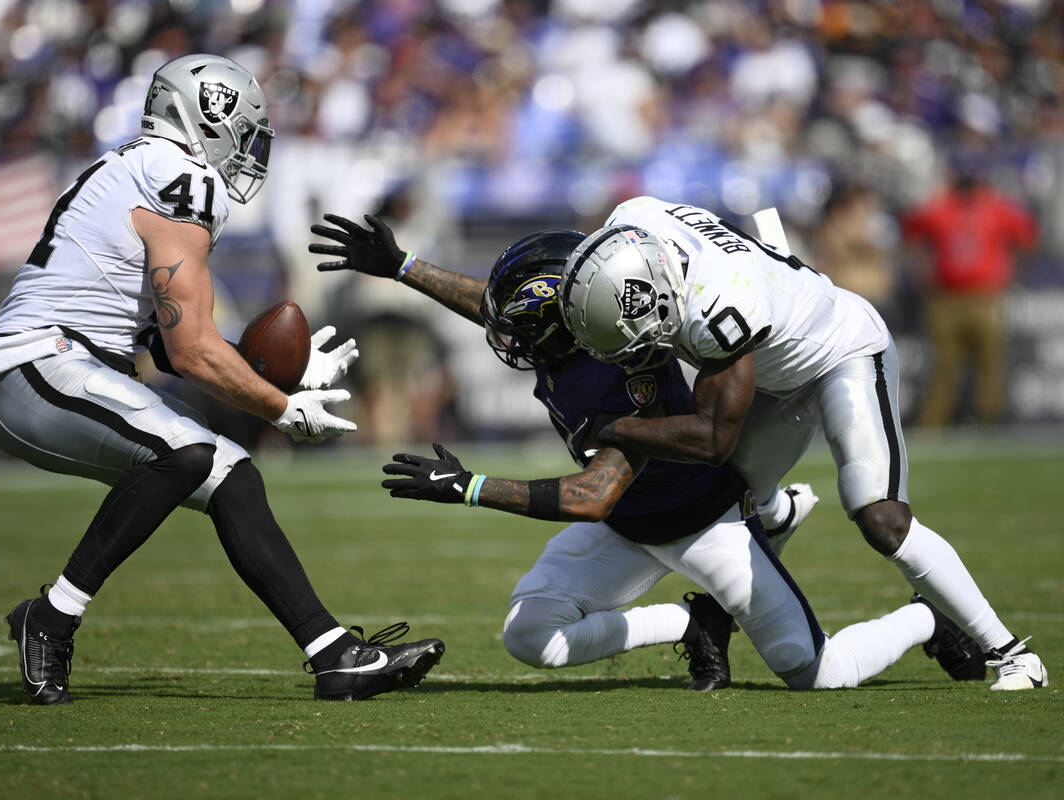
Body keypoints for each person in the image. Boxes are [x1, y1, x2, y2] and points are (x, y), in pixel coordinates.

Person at [309, 216, 985, 691]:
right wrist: (400, 267)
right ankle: (689, 621)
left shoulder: (617, 369)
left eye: (521, 328)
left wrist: (470, 486)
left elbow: (589, 494)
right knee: (529, 636)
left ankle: (923, 617)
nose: (505, 335)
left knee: (817, 672)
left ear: (563, 322)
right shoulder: (573, 326)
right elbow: (494, 306)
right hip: (627, 528)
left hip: (699, 525)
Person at [0, 55, 443, 705]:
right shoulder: (180, 176)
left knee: (230, 473)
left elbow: (172, 333)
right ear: (206, 116)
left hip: (61, 368)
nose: (247, 148)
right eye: (242, 130)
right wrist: (282, 404)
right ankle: (52, 616)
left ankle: (333, 654)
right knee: (184, 453)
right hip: (41, 365)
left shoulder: (140, 167)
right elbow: (188, 348)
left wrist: (271, 368)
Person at [555, 196, 1046, 690]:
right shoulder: (631, 222)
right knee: (724, 499)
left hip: (843, 355)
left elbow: (712, 439)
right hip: (777, 368)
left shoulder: (719, 306)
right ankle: (764, 537)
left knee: (880, 516)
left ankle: (1012, 653)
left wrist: (611, 428)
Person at [902, 166, 1038, 427]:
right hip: (946, 297)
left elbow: (1028, 236)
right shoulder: (940, 207)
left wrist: (1011, 275)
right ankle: (936, 420)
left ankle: (988, 417)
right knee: (944, 363)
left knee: (989, 359)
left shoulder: (996, 207)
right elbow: (911, 231)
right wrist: (921, 273)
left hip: (984, 296)